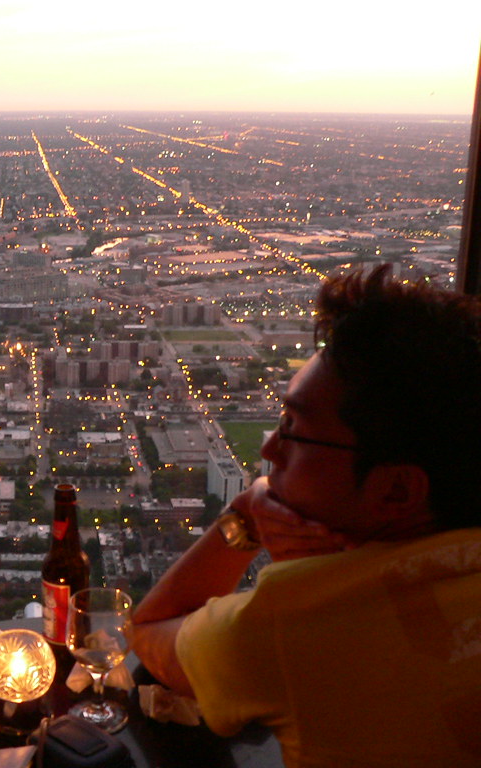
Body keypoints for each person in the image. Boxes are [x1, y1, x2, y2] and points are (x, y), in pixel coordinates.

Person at [132, 265, 481, 767]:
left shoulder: (303, 620)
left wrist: (246, 513)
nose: (271, 449)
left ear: (398, 488)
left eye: (294, 429)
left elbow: (149, 630)